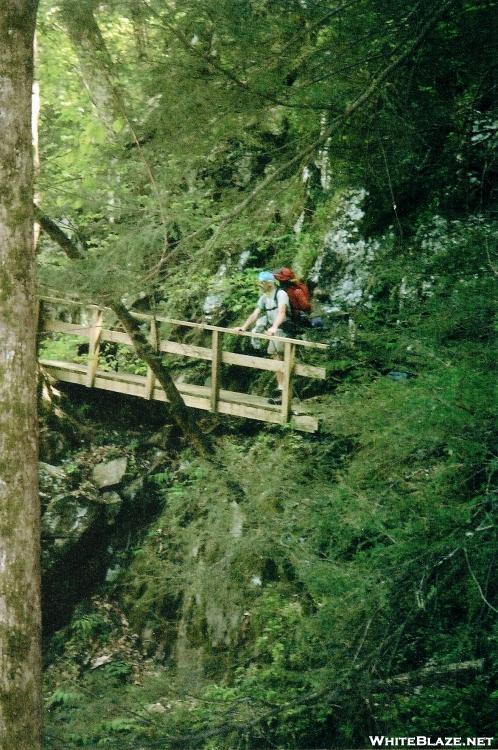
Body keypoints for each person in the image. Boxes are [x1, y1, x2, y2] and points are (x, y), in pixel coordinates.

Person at [236, 270, 289, 401]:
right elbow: (255, 314)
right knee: (276, 356)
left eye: (261, 283)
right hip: (274, 331)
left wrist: (274, 327)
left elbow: (282, 313)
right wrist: (244, 327)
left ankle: (284, 390)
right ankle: (281, 388)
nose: (259, 286)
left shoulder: (281, 294)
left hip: (284, 329)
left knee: (280, 357)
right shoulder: (264, 297)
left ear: (269, 283)